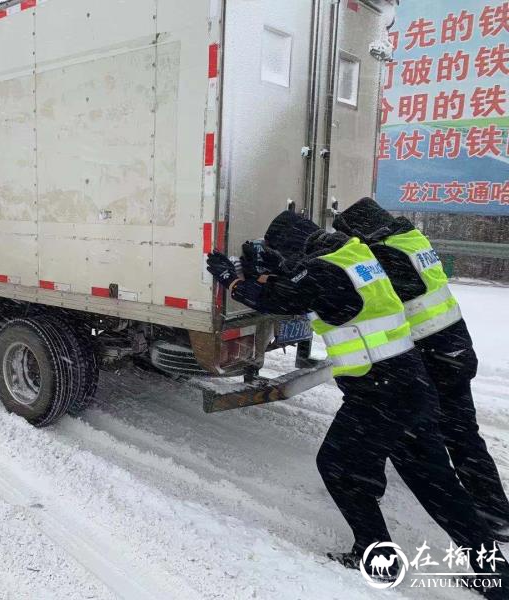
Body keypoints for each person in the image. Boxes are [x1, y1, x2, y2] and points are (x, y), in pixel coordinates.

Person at [207, 211, 508, 597]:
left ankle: (378, 558)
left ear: (295, 249)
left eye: (282, 253)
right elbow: (302, 287)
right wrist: (268, 274)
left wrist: (232, 279)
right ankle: (496, 573)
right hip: (410, 384)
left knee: (338, 467)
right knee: (438, 486)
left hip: (381, 390)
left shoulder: (319, 272)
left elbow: (279, 297)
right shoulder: (354, 256)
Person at [333, 197, 509, 538]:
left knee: (412, 436)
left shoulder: (387, 255)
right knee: (462, 434)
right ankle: (493, 509)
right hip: (454, 348)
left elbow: (375, 299)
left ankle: (473, 512)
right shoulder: (410, 239)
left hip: (435, 357)